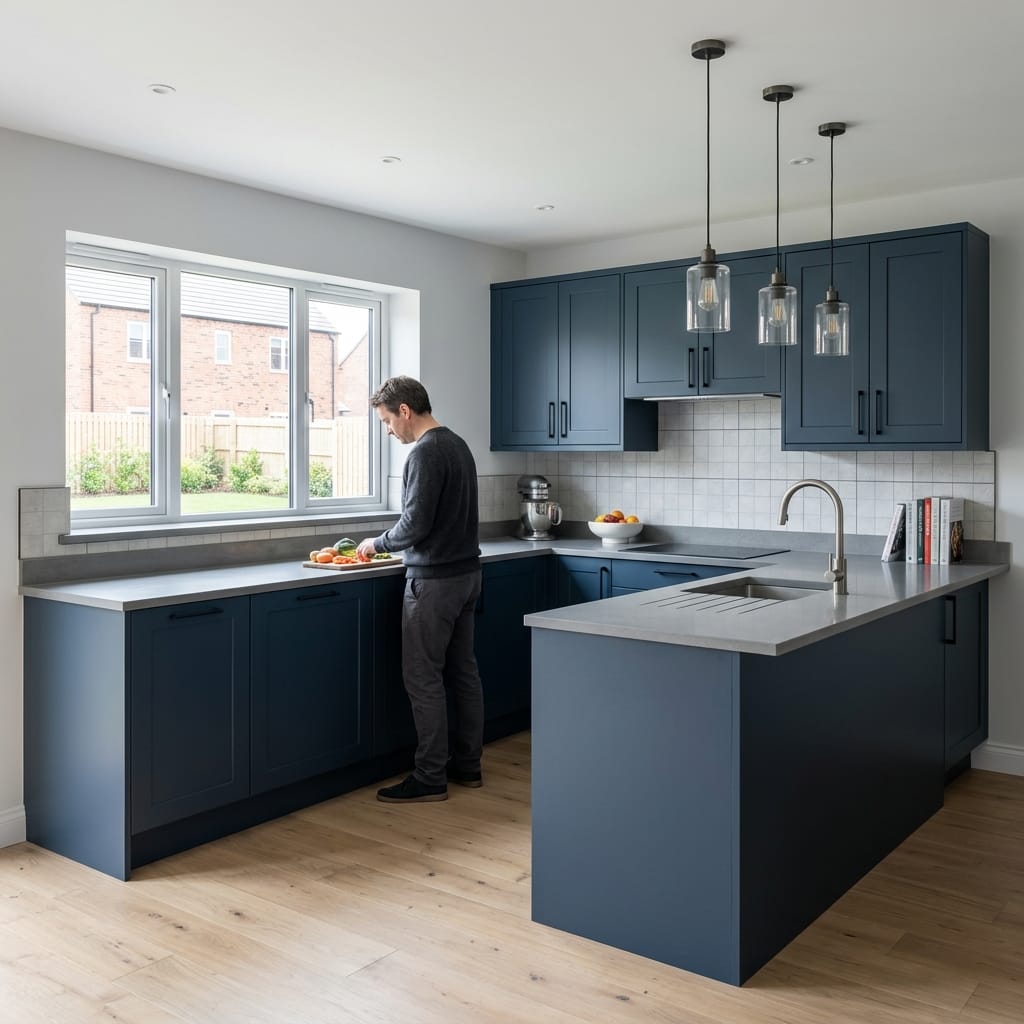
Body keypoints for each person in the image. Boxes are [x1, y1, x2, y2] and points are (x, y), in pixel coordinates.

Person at [356, 376, 484, 803]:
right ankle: (467, 765)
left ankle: (430, 777)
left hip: (434, 583)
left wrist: (377, 543)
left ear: (405, 411)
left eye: (387, 421)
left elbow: (415, 525)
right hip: (467, 576)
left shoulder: (424, 454)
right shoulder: (458, 445)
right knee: (463, 673)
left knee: (423, 678)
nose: (388, 430)